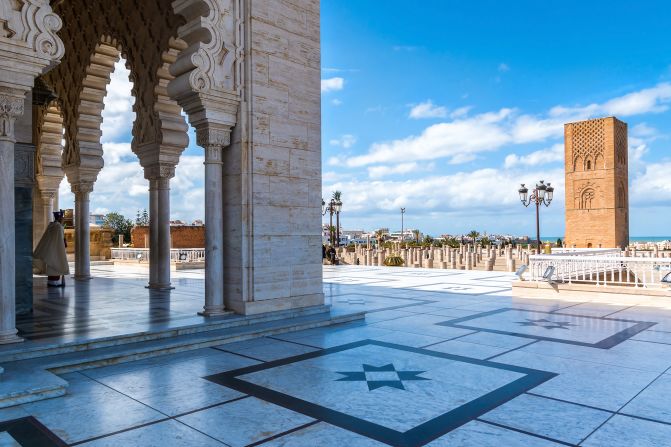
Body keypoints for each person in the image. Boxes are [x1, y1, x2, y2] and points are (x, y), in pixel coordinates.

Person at [33, 210, 69, 287]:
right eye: (62, 218)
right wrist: (63, 243)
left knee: (52, 264)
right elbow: (60, 239)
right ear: (59, 218)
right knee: (56, 264)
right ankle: (54, 283)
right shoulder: (58, 226)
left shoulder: (51, 225)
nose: (63, 219)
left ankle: (52, 282)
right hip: (57, 249)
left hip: (52, 249)